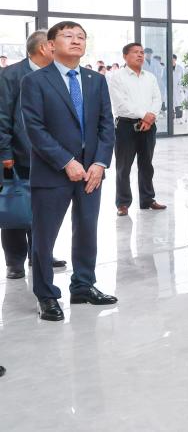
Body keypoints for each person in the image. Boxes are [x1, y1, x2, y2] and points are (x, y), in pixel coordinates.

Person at [20, 21, 117, 322]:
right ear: (50, 45)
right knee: (44, 237)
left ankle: (83, 286)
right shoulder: (35, 81)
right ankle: (46, 295)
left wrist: (100, 163)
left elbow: (106, 124)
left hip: (91, 172)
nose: (76, 40)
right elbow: (34, 128)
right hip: (53, 172)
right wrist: (66, 161)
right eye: (68, 36)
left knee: (87, 230)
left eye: (81, 37)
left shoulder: (95, 80)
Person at [0, 30, 66, 280]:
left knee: (44, 207)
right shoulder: (11, 75)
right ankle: (14, 261)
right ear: (43, 48)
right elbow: (2, 116)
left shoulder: (56, 74)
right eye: (54, 45)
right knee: (17, 205)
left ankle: (40, 254)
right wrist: (5, 151)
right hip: (18, 155)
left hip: (49, 154)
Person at [107, 42, 166, 216]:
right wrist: (144, 115)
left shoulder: (150, 77)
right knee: (123, 167)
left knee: (147, 165)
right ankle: (123, 203)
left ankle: (148, 199)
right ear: (125, 56)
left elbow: (157, 99)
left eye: (141, 52)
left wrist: (151, 117)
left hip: (149, 126)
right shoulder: (117, 77)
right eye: (135, 52)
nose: (140, 55)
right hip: (126, 126)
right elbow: (121, 103)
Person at [171, 54, 185, 120]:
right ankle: (172, 118)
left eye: (173, 58)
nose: (172, 60)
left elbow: (183, 78)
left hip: (178, 88)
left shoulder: (180, 68)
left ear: (175, 59)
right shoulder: (167, 68)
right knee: (171, 103)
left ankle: (179, 118)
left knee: (179, 103)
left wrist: (182, 87)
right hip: (170, 88)